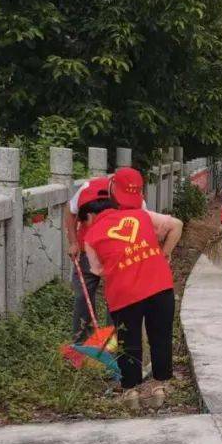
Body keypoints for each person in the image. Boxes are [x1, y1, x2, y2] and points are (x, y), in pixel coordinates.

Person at [80, 189, 183, 412]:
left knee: (129, 341)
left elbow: (97, 270)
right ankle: (159, 388)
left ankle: (131, 392)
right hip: (160, 285)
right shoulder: (140, 215)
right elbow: (177, 224)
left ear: (89, 216)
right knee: (160, 337)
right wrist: (163, 255)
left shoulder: (90, 236)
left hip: (124, 292)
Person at [63, 167, 147, 341]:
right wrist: (73, 242)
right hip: (87, 251)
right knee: (82, 297)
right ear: (112, 185)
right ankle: (81, 342)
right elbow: (70, 211)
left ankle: (112, 341)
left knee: (116, 299)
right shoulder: (88, 189)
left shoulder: (137, 201)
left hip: (117, 257)